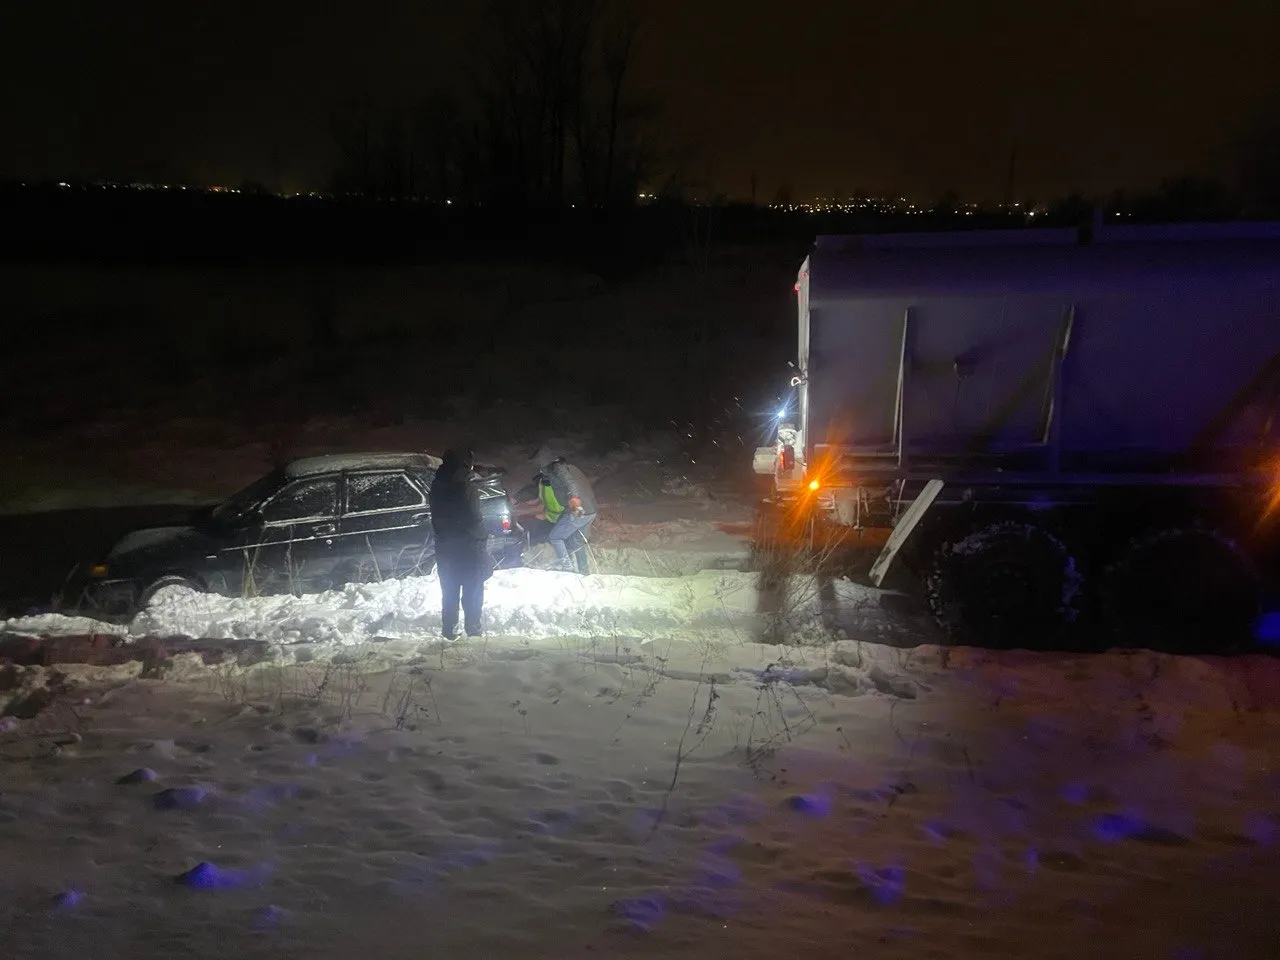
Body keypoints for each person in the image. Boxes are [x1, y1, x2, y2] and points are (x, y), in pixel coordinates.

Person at [429, 447, 490, 639]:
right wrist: (482, 536)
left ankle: (449, 629)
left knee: (449, 589)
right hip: (469, 545)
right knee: (473, 588)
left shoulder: (437, 484)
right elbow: (474, 516)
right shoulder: (466, 486)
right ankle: (473, 629)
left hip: (446, 545)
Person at [516, 447, 597, 574]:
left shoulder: (558, 468)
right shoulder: (570, 468)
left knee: (555, 537)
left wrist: (573, 497)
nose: (538, 468)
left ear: (544, 461)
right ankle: (584, 571)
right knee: (576, 543)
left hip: (578, 510)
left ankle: (567, 568)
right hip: (590, 510)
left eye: (538, 463)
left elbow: (570, 483)